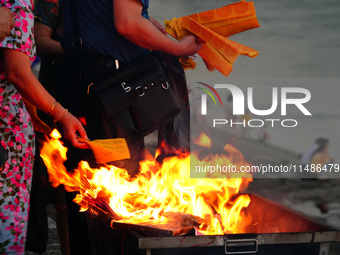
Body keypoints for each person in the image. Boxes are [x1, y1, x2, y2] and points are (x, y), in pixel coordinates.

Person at [58, 0, 202, 253]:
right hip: (112, 89)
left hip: (81, 77)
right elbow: (126, 24)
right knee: (117, 187)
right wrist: (177, 47)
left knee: (88, 185)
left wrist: (144, 23)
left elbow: (100, 19)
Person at [0, 0, 89, 253]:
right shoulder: (14, 2)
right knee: (7, 226)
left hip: (14, 124)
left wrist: (35, 116)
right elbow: (18, 73)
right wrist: (62, 114)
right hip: (6, 135)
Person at [25, 0, 71, 254]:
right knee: (62, 187)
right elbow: (37, 41)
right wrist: (77, 52)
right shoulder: (53, 2)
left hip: (108, 98)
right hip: (58, 97)